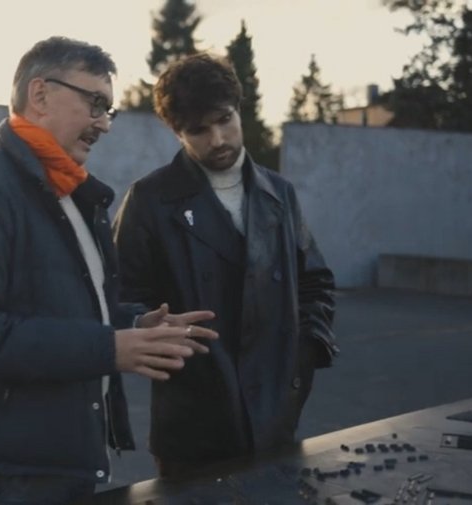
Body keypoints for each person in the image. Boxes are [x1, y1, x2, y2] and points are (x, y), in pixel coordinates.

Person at [0, 36, 218, 504]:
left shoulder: (68, 194)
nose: (104, 124)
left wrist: (135, 325)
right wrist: (109, 348)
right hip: (11, 467)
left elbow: (69, 307)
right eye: (95, 103)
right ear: (39, 95)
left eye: (109, 110)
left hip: (58, 453)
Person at [112, 52, 340, 479]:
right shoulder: (149, 199)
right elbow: (116, 293)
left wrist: (304, 351)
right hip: (193, 422)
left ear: (240, 109)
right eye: (198, 130)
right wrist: (147, 325)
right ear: (176, 133)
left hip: (276, 416)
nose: (217, 139)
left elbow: (316, 281)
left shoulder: (280, 193)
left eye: (225, 119)